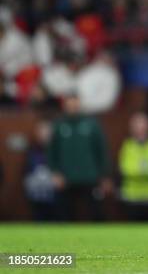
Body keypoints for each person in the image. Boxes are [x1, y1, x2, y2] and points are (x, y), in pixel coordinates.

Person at [47, 93, 113, 221]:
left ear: (79, 104)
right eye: (69, 105)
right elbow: (51, 151)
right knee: (65, 214)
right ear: (64, 106)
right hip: (66, 178)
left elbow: (102, 150)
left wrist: (105, 175)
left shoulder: (92, 124)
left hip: (91, 177)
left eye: (74, 104)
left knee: (96, 212)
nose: (72, 107)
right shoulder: (59, 125)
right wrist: (55, 173)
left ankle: (100, 239)